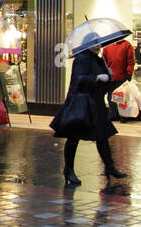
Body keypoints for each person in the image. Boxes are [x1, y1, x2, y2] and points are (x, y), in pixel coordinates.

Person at [52, 41, 127, 184]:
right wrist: (97, 77)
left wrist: (109, 75)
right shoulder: (81, 59)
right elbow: (78, 80)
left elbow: (104, 83)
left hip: (96, 104)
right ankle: (69, 170)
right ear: (87, 45)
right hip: (83, 104)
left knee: (102, 136)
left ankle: (109, 167)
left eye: (99, 43)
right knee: (74, 138)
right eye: (94, 43)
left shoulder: (98, 59)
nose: (98, 46)